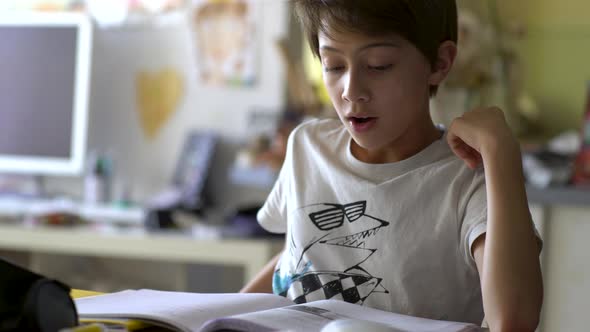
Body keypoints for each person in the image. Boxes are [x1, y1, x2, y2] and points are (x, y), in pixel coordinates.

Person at [240, 1, 543, 330]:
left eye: (378, 65)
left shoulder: (467, 176)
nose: (352, 92)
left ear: (439, 63)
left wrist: (501, 153)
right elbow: (298, 261)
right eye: (334, 66)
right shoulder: (308, 146)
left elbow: (513, 321)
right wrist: (225, 318)